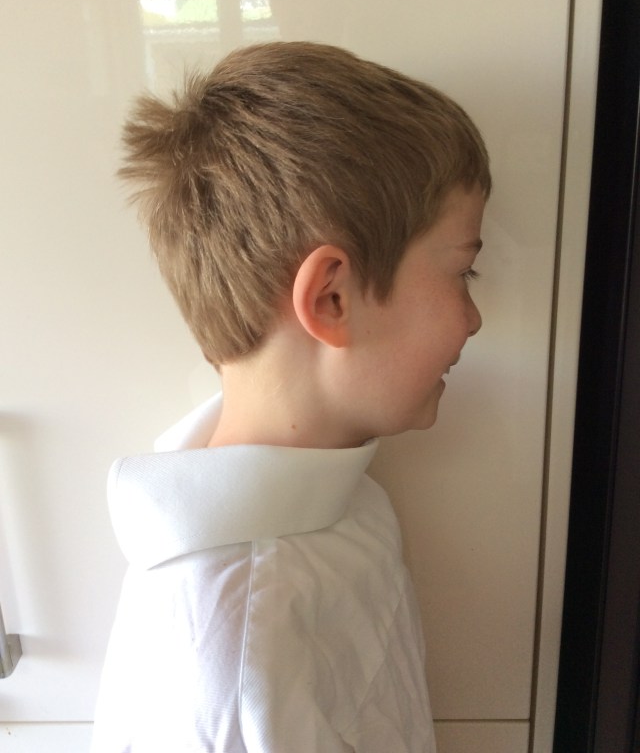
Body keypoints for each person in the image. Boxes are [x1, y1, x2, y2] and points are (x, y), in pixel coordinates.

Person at [90, 41, 491, 753]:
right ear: (331, 298)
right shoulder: (228, 654)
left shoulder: (340, 495)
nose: (476, 319)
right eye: (465, 272)